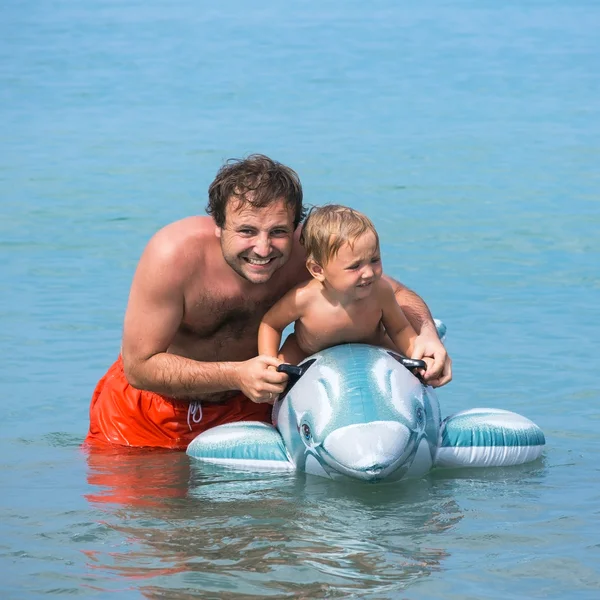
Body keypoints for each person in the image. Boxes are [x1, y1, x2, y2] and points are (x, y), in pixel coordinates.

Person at [85, 155, 451, 450]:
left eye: (278, 231)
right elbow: (139, 366)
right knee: (155, 532)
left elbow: (396, 293)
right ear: (218, 224)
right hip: (147, 416)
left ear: (296, 227)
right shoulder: (174, 256)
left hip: (252, 408)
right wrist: (236, 374)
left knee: (265, 537)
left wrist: (428, 335)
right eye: (246, 231)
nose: (263, 249)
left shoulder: (308, 257)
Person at [258, 205, 432, 372]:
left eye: (374, 260)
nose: (369, 273)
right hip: (308, 350)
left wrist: (417, 355)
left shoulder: (380, 292)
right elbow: (271, 324)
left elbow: (399, 329)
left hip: (372, 346)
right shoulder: (303, 298)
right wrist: (269, 361)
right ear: (318, 270)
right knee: (280, 371)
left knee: (407, 363)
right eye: (355, 266)